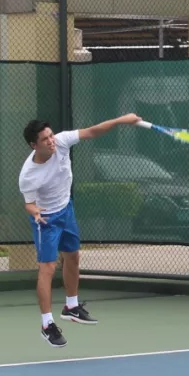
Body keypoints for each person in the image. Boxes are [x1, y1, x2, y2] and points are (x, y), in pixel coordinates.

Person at [18, 114, 141, 347]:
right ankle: (47, 325)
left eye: (51, 136)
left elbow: (93, 131)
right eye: (45, 139)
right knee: (47, 268)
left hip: (66, 209)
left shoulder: (62, 141)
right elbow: (29, 204)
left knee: (73, 256)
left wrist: (121, 120)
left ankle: (72, 306)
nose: (51, 141)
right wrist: (34, 212)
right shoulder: (28, 175)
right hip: (46, 219)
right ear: (34, 145)